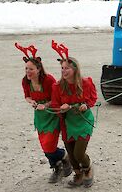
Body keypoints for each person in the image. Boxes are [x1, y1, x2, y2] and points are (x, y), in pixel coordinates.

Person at [15, 42, 72, 183]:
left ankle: (64, 156)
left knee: (49, 145)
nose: (28, 72)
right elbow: (27, 96)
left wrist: (45, 105)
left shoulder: (48, 80)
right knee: (44, 146)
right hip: (39, 116)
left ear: (39, 69)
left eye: (31, 69)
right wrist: (32, 102)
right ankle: (57, 165)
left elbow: (56, 97)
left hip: (52, 114)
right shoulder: (25, 81)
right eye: (26, 68)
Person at [50, 40, 98, 188]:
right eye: (62, 68)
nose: (64, 71)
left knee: (78, 153)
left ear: (75, 69)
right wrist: (61, 109)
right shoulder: (57, 86)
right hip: (68, 123)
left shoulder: (86, 83)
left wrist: (85, 105)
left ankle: (88, 169)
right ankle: (78, 173)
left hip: (83, 121)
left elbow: (92, 98)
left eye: (67, 68)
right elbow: (55, 105)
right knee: (71, 155)